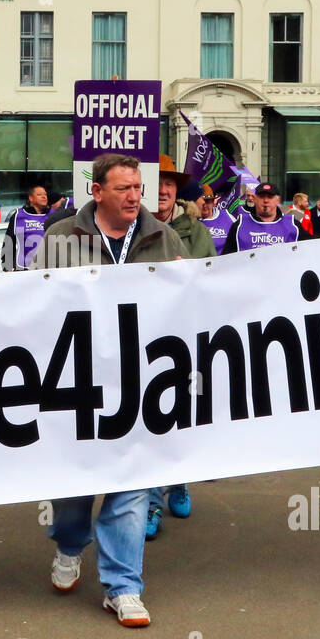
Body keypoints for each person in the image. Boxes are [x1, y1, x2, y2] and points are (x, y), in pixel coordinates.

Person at [32, 153, 184, 627]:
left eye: (138, 187)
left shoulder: (164, 236)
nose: (135, 196)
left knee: (134, 482)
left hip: (142, 382)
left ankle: (123, 587)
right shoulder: (61, 238)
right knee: (77, 489)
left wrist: (188, 277)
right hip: (77, 382)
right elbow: (29, 301)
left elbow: (201, 301)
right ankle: (71, 545)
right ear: (97, 192)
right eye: (123, 188)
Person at [143, 157, 214, 537]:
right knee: (153, 420)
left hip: (186, 339)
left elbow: (213, 278)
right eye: (156, 181)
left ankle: (180, 478)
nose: (163, 189)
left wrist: (192, 274)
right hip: (144, 341)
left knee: (183, 418)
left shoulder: (196, 231)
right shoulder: (131, 229)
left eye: (169, 182)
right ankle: (151, 502)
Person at [223, 181, 313, 251]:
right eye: (262, 196)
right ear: (255, 199)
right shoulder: (239, 226)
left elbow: (311, 249)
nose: (266, 200)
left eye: (270, 197)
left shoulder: (293, 225)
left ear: (278, 200)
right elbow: (227, 260)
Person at [3, 184, 52, 271]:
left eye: (45, 194)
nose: (44, 197)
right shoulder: (18, 215)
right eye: (39, 195)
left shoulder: (53, 215)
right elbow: (9, 242)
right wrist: (7, 268)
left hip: (50, 268)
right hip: (24, 268)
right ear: (31, 198)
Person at [195, 184, 235, 254]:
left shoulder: (227, 216)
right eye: (202, 201)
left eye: (208, 201)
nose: (205, 205)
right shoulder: (192, 222)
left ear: (214, 203)